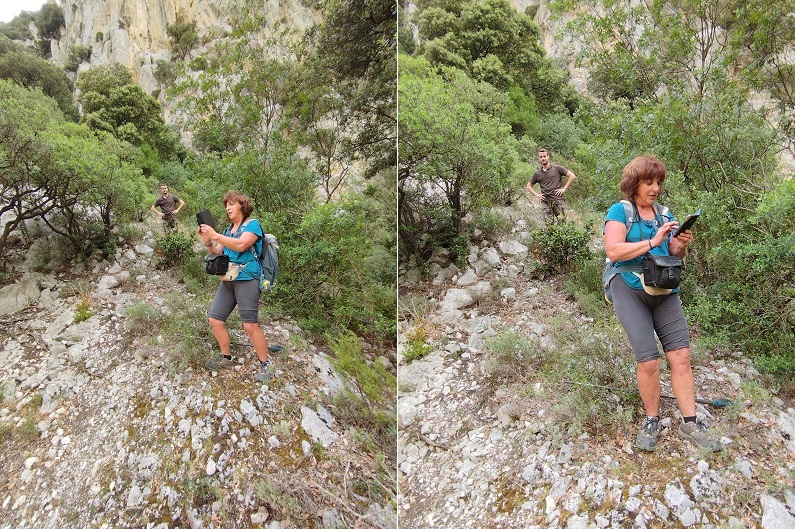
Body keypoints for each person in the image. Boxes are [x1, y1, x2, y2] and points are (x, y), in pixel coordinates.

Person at [603, 155, 722, 452]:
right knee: (649, 359)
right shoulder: (620, 211)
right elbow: (614, 250)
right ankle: (652, 419)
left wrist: (679, 244)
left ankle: (691, 423)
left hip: (663, 289)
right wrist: (653, 242)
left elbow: (673, 255)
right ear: (634, 183)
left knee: (680, 355)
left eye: (658, 182)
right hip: (627, 288)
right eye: (648, 182)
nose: (655, 188)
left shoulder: (664, 214)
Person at [198, 190, 274, 383]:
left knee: (249, 325)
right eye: (226, 205)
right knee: (215, 319)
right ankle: (226, 357)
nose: (228, 208)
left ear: (242, 205)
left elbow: (241, 245)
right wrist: (208, 242)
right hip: (229, 279)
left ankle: (265, 363)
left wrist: (215, 234)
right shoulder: (227, 230)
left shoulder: (253, 225)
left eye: (231, 204)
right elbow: (218, 251)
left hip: (247, 279)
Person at [526, 148, 577, 223]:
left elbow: (572, 176)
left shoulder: (557, 168)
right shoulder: (537, 174)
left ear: (548, 156)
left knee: (562, 223)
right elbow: (529, 186)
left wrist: (564, 189)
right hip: (545, 203)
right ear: (539, 158)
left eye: (544, 156)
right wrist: (537, 195)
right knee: (549, 226)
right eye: (541, 157)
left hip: (557, 201)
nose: (543, 158)